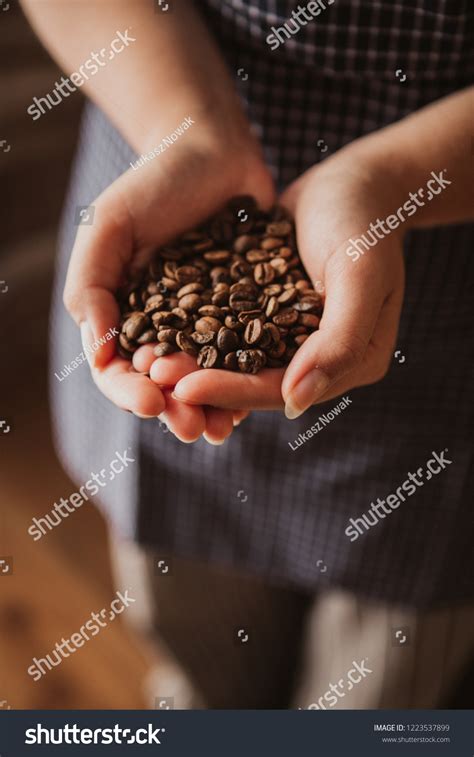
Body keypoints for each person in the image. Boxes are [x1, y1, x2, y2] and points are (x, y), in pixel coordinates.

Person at [21, 0, 474, 708]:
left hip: (450, 244)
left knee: (387, 674)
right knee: (190, 614)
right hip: (159, 134)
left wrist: (390, 179)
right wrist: (189, 133)